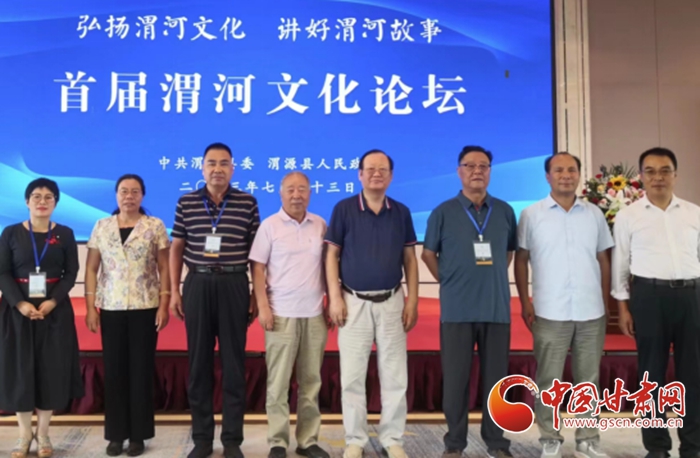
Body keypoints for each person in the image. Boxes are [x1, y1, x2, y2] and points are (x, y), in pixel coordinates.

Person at [514, 152, 613, 458]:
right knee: (549, 379)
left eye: (571, 170)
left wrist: (605, 300)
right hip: (549, 310)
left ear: (579, 175)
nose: (566, 175)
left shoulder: (594, 214)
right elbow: (521, 260)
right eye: (559, 170)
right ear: (548, 177)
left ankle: (587, 439)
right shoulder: (531, 214)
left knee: (589, 379)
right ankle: (550, 438)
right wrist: (525, 301)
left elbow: (603, 258)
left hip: (590, 310)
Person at [422, 146, 517, 458]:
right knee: (456, 381)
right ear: (459, 170)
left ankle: (496, 442)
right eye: (470, 165)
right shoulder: (443, 212)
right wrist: (449, 281)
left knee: (496, 382)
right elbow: (428, 254)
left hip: (496, 309)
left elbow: (508, 253)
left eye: (483, 166)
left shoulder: (504, 211)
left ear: (490, 171)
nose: (477, 171)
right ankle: (454, 443)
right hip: (457, 310)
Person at [325, 149, 419, 458]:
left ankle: (392, 439)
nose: (376, 174)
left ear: (391, 176)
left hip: (392, 301)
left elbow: (409, 259)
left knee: (394, 374)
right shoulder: (344, 209)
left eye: (383, 170)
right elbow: (332, 255)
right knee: (352, 376)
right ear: (360, 174)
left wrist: (413, 300)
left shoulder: (401, 212)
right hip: (353, 302)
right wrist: (335, 297)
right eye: (370, 169)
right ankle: (355, 439)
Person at [169, 142, 260, 458]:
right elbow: (177, 248)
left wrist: (256, 292)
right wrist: (175, 290)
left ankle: (232, 440)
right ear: (202, 168)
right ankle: (202, 439)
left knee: (234, 364)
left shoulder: (248, 202)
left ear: (233, 168)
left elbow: (257, 254)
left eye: (224, 163)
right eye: (211, 163)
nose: (217, 169)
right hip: (198, 283)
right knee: (199, 365)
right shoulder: (186, 202)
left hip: (235, 284)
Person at [612, 147, 700, 458]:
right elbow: (621, 264)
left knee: (694, 373)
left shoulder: (694, 213)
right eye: (650, 171)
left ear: (675, 175)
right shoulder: (628, 216)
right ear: (641, 177)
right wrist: (623, 307)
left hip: (691, 296)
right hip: (649, 297)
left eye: (665, 171)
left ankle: (693, 445)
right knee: (651, 375)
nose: (658, 177)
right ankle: (657, 446)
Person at [84, 174, 171, 457]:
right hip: (111, 307)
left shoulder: (154, 226)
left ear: (142, 195)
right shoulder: (102, 226)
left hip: (145, 307)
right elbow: (91, 268)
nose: (129, 196)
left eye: (135, 191)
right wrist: (90, 307)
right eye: (123, 191)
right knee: (115, 372)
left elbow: (164, 267)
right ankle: (116, 435)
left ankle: (138, 436)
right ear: (116, 194)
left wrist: (164, 303)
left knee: (141, 372)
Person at [0, 178, 84, 458]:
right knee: (20, 371)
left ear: (56, 203)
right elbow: (2, 272)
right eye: (36, 196)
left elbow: (71, 273)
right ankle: (24, 435)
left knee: (51, 370)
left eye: (49, 197)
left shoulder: (65, 233)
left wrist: (52, 301)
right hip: (17, 311)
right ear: (27, 201)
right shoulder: (11, 233)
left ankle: (44, 433)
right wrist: (19, 303)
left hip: (54, 310)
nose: (42, 201)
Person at [249, 171, 331, 458]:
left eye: (302, 189)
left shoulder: (320, 224)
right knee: (278, 383)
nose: (297, 195)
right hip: (280, 314)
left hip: (314, 315)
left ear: (310, 192)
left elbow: (328, 266)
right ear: (281, 193)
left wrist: (330, 301)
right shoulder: (269, 226)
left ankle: (308, 440)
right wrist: (263, 306)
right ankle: (278, 442)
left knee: (311, 382)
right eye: (291, 190)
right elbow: (257, 268)